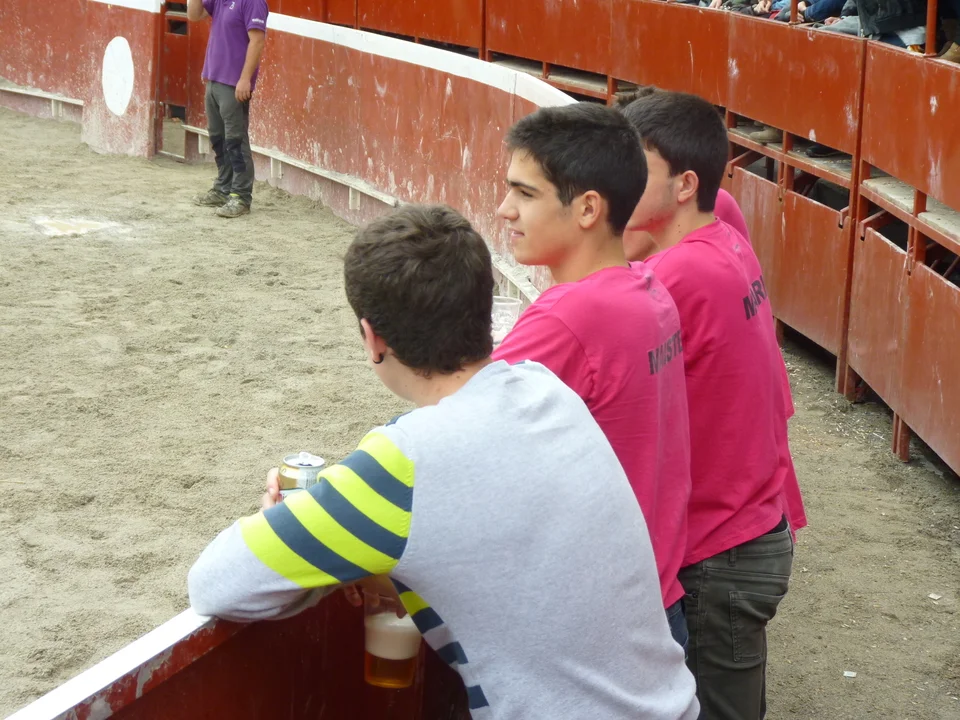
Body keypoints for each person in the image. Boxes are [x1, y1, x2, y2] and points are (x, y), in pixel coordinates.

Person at [187, 204, 699, 720]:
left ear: (373, 338)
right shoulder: (548, 390)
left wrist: (289, 528)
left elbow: (214, 584)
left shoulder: (405, 463)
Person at [621, 90, 804, 720]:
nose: (618, 183)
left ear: (684, 185)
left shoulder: (674, 277)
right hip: (748, 527)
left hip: (720, 552)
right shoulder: (722, 236)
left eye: (636, 169)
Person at [491, 102, 693, 650]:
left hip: (596, 622)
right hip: (654, 599)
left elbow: (449, 429)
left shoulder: (570, 316)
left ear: (586, 209)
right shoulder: (649, 289)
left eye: (524, 193)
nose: (505, 210)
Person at [186, 0, 268, 218]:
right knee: (218, 138)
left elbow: (257, 40)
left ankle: (240, 196)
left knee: (235, 140)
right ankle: (223, 189)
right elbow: (194, 15)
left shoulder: (253, 2)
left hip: (233, 83)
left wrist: (245, 79)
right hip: (214, 77)